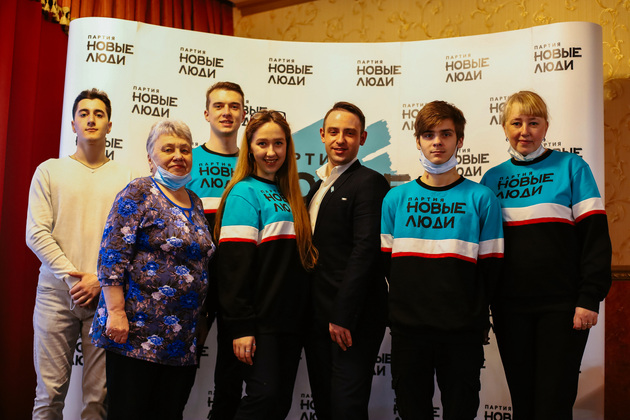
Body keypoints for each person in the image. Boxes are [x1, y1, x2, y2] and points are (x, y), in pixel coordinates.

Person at [480, 91, 612, 419]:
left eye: (533, 123)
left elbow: (595, 237)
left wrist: (589, 297)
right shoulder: (492, 179)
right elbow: (487, 250)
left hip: (563, 308)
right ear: (504, 127)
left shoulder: (572, 167)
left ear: (546, 127)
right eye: (516, 123)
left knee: (553, 404)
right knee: (524, 404)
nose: (525, 131)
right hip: (510, 309)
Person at [381, 101, 504, 419]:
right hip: (409, 332)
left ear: (459, 140)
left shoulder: (482, 198)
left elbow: (491, 269)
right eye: (428, 134)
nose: (437, 142)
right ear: (418, 141)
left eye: (446, 134)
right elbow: (386, 264)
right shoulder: (395, 198)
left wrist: (475, 317)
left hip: (462, 333)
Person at [90, 119, 214, 420]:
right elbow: (112, 255)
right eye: (168, 149)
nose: (178, 156)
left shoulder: (195, 202)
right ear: (150, 158)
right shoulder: (139, 191)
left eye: (185, 149)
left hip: (181, 339)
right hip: (136, 333)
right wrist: (116, 312)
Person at [25, 88, 136, 419]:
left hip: (107, 298)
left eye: (99, 114)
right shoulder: (49, 171)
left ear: (110, 125)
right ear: (72, 124)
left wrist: (100, 281)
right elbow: (36, 233)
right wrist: (73, 278)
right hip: (56, 296)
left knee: (98, 400)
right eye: (83, 113)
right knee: (48, 395)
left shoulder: (128, 178)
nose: (91, 119)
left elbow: (132, 241)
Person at [215, 110, 317, 420]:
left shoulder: (290, 195)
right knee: (264, 398)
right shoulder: (244, 192)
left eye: (278, 143)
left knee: (278, 404)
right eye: (262, 144)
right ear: (250, 148)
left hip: (289, 323)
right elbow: (233, 269)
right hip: (259, 325)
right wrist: (241, 327)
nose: (271, 152)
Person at [304, 101, 389, 420]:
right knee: (325, 404)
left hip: (352, 318)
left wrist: (342, 316)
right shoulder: (317, 186)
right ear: (322, 135)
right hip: (317, 316)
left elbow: (365, 250)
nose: (340, 139)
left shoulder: (370, 182)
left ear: (362, 138)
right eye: (334, 132)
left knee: (346, 407)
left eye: (350, 133)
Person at [186, 81, 246, 419]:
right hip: (193, 280)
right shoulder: (187, 160)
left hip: (236, 281)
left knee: (231, 373)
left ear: (243, 114)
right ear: (206, 114)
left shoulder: (253, 164)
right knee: (179, 368)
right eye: (219, 106)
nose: (227, 112)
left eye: (234, 106)